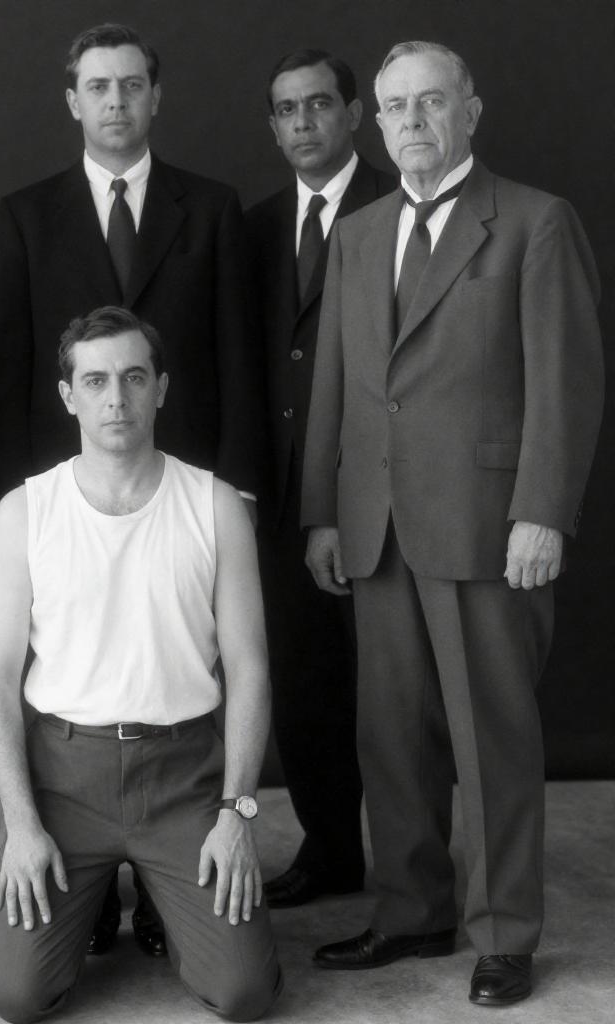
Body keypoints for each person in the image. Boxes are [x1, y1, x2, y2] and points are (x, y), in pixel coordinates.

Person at [301, 40, 603, 1005]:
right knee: (390, 737)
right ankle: (412, 911)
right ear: (377, 123)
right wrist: (321, 513)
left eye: (432, 102)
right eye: (395, 107)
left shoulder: (535, 222)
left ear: (470, 111)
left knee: (492, 741)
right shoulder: (359, 233)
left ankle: (505, 932)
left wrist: (542, 514)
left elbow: (567, 384)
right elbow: (337, 387)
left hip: (487, 529)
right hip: (376, 525)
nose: (412, 121)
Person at [0, 19, 264, 957]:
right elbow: (13, 371)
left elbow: (238, 357)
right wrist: (25, 508)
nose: (115, 101)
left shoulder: (210, 207)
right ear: (73, 101)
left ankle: (172, 895)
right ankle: (92, 891)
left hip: (185, 499)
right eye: (98, 86)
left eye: (131, 85)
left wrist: (239, 489)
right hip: (73, 501)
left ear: (155, 97)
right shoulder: (26, 214)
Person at [0, 306, 280, 1023]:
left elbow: (250, 670)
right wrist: (21, 825)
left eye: (135, 378)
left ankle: (166, 899)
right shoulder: (24, 512)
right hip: (64, 779)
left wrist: (237, 813)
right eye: (96, 381)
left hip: (184, 777)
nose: (117, 398)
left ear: (161, 389)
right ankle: (90, 903)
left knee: (244, 994)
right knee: (17, 997)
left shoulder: (215, 506)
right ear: (68, 395)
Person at [245, 49, 395, 909]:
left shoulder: (398, 205)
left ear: (353, 114)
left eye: (319, 104)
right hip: (280, 502)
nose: (303, 122)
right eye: (286, 109)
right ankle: (331, 850)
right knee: (304, 688)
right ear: (273, 126)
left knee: (392, 696)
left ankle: (412, 869)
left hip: (379, 497)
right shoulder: (256, 227)